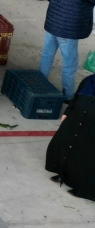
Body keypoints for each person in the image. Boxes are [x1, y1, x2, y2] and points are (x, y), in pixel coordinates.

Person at [40, 0, 95, 100]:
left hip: (52, 24)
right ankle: (68, 96)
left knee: (47, 55)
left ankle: (39, 84)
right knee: (70, 64)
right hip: (69, 31)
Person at [46, 72, 95, 200]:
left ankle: (83, 189)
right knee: (68, 148)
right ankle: (65, 174)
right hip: (76, 119)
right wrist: (68, 112)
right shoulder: (89, 81)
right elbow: (76, 98)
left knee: (87, 157)